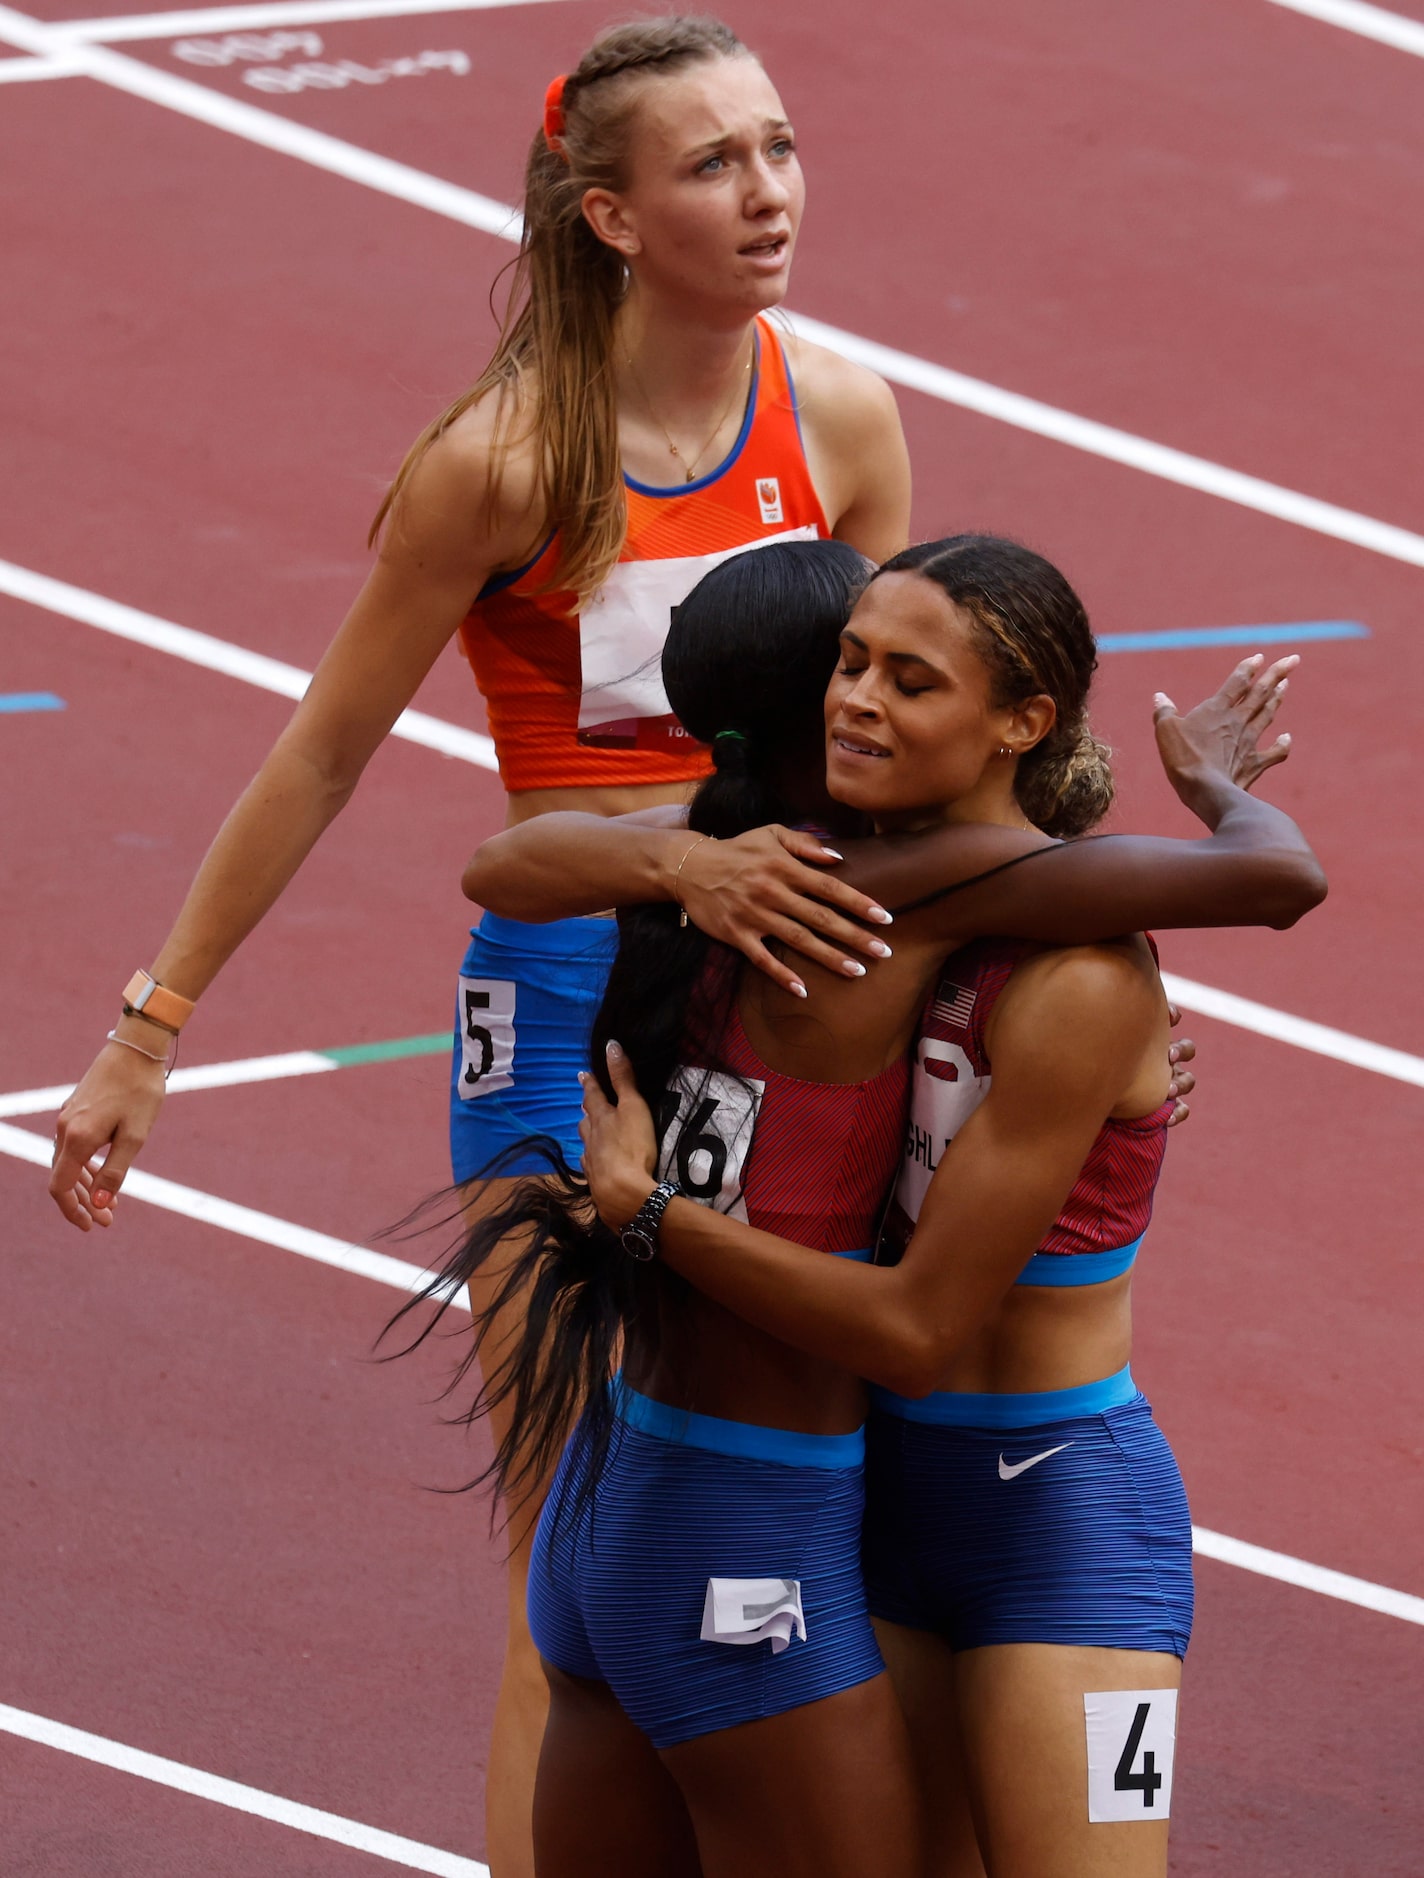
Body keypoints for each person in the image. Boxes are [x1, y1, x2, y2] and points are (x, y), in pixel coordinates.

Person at [46, 21, 913, 1872]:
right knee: (577, 1542)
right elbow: (327, 750)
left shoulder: (840, 418)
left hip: (798, 1010)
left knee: (828, 1483)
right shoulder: (502, 464)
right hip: (573, 1012)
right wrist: (152, 1019)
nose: (767, 194)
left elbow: (910, 760)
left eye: (777, 147)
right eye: (712, 166)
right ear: (607, 213)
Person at [418, 536, 1322, 1874]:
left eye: (909, 679)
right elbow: (1263, 879)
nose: (864, 700)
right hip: (835, 1499)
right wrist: (1218, 803)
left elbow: (505, 869)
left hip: (1035, 1514)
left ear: (1018, 721)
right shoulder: (835, 890)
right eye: (851, 667)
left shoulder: (919, 920)